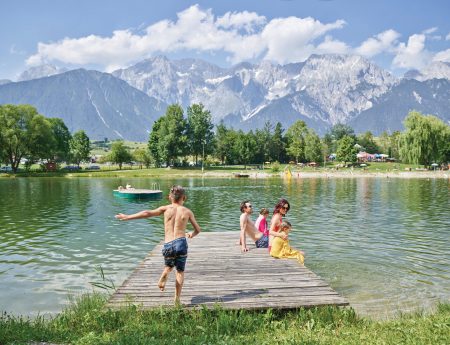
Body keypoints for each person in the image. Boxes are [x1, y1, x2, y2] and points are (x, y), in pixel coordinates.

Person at [115, 185, 201, 304]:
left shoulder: (165, 209)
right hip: (181, 243)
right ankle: (176, 299)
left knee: (169, 265)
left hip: (168, 244)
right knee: (180, 272)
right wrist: (191, 234)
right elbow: (198, 229)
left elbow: (147, 213)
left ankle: (166, 272)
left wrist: (128, 216)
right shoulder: (187, 211)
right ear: (184, 198)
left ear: (169, 197)